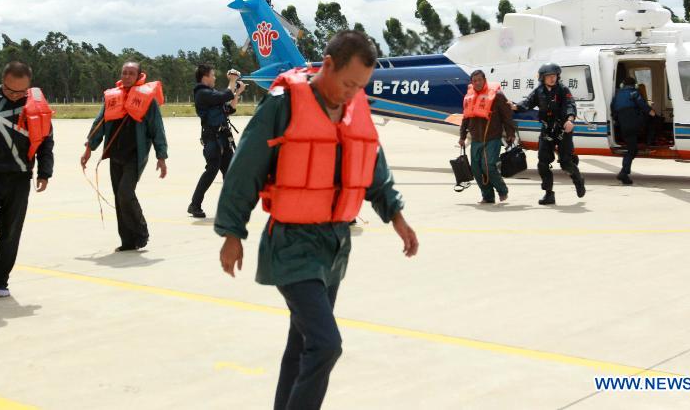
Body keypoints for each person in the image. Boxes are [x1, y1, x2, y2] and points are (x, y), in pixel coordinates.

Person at [215, 30, 419, 410]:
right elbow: (246, 169)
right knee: (327, 345)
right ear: (327, 65)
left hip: (335, 246)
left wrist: (397, 218)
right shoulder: (283, 104)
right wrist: (232, 232)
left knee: (303, 346)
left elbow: (374, 167)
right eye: (347, 82)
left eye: (360, 86)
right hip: (292, 243)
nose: (351, 92)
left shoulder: (355, 106)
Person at [0, 61, 54, 296]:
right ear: (2, 81)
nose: (15, 95)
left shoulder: (36, 104)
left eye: (20, 92)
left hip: (20, 178)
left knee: (11, 231)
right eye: (9, 90)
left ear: (29, 86)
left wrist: (45, 171)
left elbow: (46, 140)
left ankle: (0, 281)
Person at [80, 61, 168, 251]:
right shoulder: (113, 97)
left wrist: (161, 157)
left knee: (125, 193)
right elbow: (99, 124)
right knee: (119, 197)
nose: (126, 76)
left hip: (135, 155)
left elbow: (157, 129)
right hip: (115, 154)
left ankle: (141, 231)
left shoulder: (147, 100)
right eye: (124, 73)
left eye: (131, 73)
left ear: (139, 76)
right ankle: (127, 241)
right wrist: (89, 148)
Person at [510, 62, 586, 205]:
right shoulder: (539, 91)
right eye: (549, 76)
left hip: (563, 129)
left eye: (554, 76)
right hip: (547, 130)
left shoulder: (563, 90)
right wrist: (514, 106)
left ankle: (578, 180)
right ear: (543, 78)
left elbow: (570, 104)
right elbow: (527, 103)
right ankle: (549, 194)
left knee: (565, 163)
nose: (552, 78)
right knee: (543, 163)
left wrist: (570, 119)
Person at [187, 64, 246, 218]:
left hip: (223, 138)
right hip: (212, 139)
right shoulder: (202, 94)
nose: (214, 78)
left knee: (230, 173)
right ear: (205, 77)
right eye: (212, 75)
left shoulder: (211, 93)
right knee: (211, 170)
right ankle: (194, 205)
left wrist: (237, 93)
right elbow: (224, 96)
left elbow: (229, 110)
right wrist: (232, 81)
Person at [458, 69, 517, 204]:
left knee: (488, 166)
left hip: (493, 138)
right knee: (476, 169)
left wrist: (510, 133)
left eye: (480, 80)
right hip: (476, 139)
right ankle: (488, 196)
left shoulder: (497, 96)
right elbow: (465, 118)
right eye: (474, 81)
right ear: (471, 83)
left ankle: (502, 190)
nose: (477, 83)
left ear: (484, 80)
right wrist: (462, 136)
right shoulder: (470, 97)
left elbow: (507, 116)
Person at [610, 76, 655, 185]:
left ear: (623, 85)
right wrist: (652, 112)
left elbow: (613, 108)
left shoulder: (617, 94)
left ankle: (624, 173)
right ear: (634, 85)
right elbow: (643, 106)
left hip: (623, 125)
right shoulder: (634, 93)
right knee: (632, 150)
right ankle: (623, 173)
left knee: (632, 148)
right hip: (633, 123)